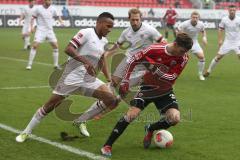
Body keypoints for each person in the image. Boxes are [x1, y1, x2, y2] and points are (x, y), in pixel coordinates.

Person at [15, 12, 119, 143]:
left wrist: (109, 78)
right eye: (108, 26)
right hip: (71, 77)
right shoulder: (86, 32)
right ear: (99, 23)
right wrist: (86, 62)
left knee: (110, 98)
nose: (110, 30)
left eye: (111, 27)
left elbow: (102, 59)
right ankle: (26, 132)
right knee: (49, 106)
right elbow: (68, 48)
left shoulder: (103, 41)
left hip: (88, 79)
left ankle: (81, 120)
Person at [100, 32, 193, 157]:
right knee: (132, 114)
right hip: (147, 88)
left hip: (165, 90)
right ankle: (107, 145)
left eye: (185, 51)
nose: (183, 54)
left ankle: (150, 128)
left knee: (175, 118)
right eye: (182, 51)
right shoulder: (154, 49)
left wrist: (153, 67)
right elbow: (133, 60)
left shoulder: (184, 58)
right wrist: (126, 80)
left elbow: (171, 77)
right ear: (175, 44)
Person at [76, 8, 164, 137]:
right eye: (132, 20)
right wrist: (105, 54)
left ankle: (106, 105)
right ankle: (84, 118)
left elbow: (163, 43)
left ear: (141, 19)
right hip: (126, 62)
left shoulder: (149, 30)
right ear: (129, 19)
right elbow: (116, 47)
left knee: (121, 91)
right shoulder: (126, 32)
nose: (135, 22)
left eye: (137, 20)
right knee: (111, 87)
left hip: (142, 67)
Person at [26, 0, 63, 70]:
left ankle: (55, 65)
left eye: (51, 1)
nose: (50, 2)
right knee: (34, 46)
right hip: (40, 30)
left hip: (50, 30)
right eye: (49, 0)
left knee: (55, 46)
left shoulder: (53, 9)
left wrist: (61, 21)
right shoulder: (38, 9)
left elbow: (58, 16)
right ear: (45, 1)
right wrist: (32, 27)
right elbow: (33, 18)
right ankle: (29, 64)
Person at [204, 5, 240, 77]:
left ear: (235, 11)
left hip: (237, 42)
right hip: (227, 42)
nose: (232, 11)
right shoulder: (224, 19)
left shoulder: (239, 19)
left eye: (233, 10)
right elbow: (220, 29)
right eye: (231, 10)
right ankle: (208, 71)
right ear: (228, 11)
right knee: (218, 57)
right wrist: (220, 40)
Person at [176, 11, 207, 81]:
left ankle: (200, 74)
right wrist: (180, 39)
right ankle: (175, 73)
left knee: (202, 57)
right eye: (193, 17)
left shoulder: (201, 24)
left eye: (196, 17)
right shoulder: (185, 24)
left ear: (198, 18)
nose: (195, 19)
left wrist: (204, 37)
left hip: (194, 43)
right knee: (178, 58)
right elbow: (177, 30)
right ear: (191, 17)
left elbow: (203, 31)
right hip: (185, 43)